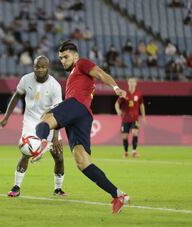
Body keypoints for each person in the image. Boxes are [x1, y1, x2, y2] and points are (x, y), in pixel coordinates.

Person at [31, 40, 130, 214]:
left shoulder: (82, 63)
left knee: (45, 118)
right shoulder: (73, 76)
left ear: (75, 56)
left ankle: (41, 144)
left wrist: (115, 87)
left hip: (78, 106)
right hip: (83, 115)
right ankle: (118, 194)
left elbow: (99, 73)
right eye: (61, 58)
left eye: (66, 56)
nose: (63, 60)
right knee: (82, 162)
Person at [0, 56, 66, 197]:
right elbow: (16, 96)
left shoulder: (55, 86)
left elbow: (58, 111)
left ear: (48, 68)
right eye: (37, 66)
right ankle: (16, 187)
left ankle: (58, 189)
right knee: (25, 153)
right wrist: (5, 118)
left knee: (58, 157)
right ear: (33, 67)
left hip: (48, 123)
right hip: (30, 122)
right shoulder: (26, 79)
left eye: (43, 67)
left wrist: (56, 136)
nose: (40, 69)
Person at [115, 78, 146, 158]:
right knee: (125, 136)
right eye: (130, 82)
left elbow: (141, 105)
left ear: (136, 83)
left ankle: (134, 152)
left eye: (133, 82)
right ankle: (126, 152)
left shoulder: (139, 94)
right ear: (128, 83)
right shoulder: (124, 94)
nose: (132, 83)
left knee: (135, 133)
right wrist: (118, 110)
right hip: (125, 118)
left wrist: (143, 116)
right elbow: (117, 104)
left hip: (134, 118)